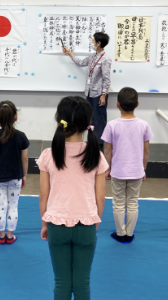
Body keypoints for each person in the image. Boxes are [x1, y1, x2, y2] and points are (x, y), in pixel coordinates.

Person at [38, 96, 108, 299]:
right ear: (88, 123)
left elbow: (44, 196)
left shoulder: (48, 155)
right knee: (82, 282)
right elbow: (100, 198)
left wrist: (45, 224)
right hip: (86, 224)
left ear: (59, 120)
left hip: (56, 225)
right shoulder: (96, 155)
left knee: (61, 282)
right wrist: (94, 222)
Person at [101, 87, 153, 243]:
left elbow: (108, 150)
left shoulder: (112, 125)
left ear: (117, 104)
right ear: (137, 103)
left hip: (118, 170)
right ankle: (129, 233)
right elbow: (146, 151)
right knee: (132, 202)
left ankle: (120, 232)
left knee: (118, 202)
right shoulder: (144, 125)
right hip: (136, 171)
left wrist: (107, 168)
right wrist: (143, 169)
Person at [0, 101, 29, 244]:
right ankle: (10, 235)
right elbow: (25, 159)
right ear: (15, 117)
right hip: (15, 177)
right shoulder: (21, 137)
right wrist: (24, 175)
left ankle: (1, 235)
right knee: (13, 206)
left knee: (0, 206)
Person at [62, 32, 112, 150]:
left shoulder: (106, 59)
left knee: (99, 121)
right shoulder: (93, 56)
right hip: (89, 93)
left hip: (99, 94)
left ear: (99, 43)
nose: (92, 42)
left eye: (94, 41)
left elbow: (106, 78)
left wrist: (104, 94)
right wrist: (69, 53)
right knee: (90, 119)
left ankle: (99, 147)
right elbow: (80, 63)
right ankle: (91, 144)